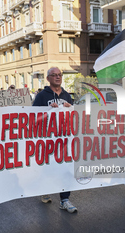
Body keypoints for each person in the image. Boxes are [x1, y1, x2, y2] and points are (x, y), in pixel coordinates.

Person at [33, 67, 77, 213]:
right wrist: (47, 110)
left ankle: (64, 200)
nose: (58, 77)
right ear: (48, 78)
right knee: (48, 168)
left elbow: (73, 116)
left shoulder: (67, 95)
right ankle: (45, 189)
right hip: (48, 140)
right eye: (54, 75)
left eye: (59, 75)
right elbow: (33, 117)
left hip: (65, 139)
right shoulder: (41, 96)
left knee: (66, 168)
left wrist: (70, 108)